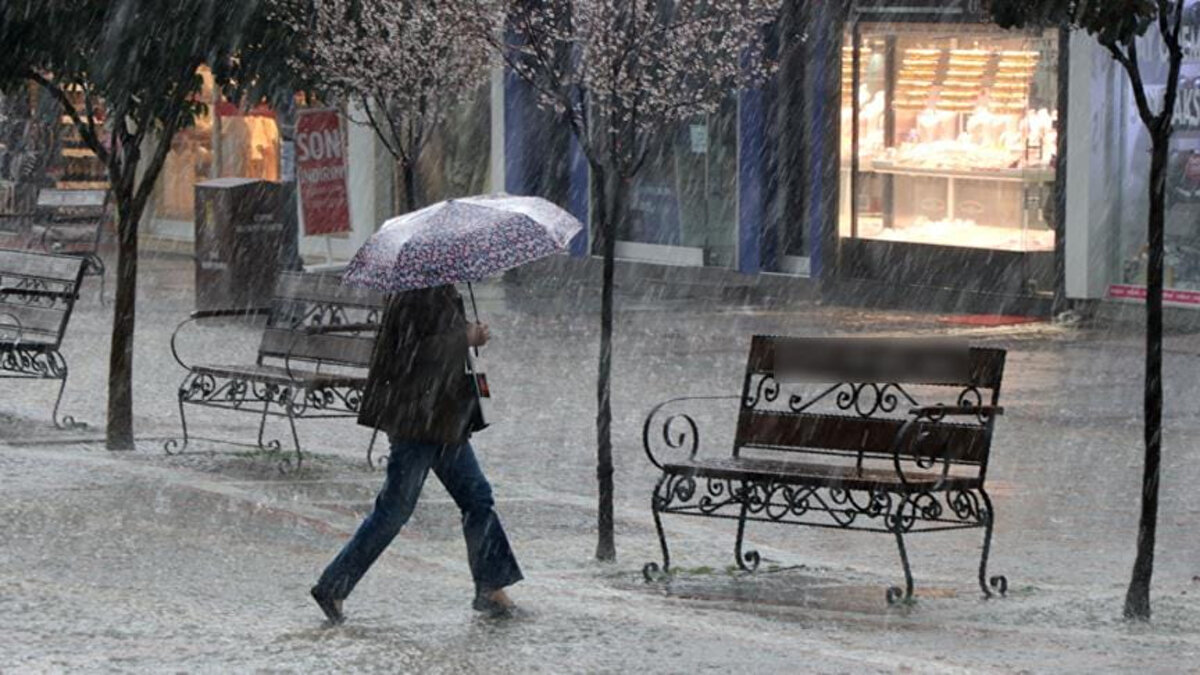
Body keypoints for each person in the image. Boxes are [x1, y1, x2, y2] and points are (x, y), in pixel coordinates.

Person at [310, 284, 522, 625]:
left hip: (442, 421)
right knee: (394, 511)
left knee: (477, 498)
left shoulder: (436, 288)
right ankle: (333, 585)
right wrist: (464, 337)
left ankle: (491, 588)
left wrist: (466, 336)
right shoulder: (415, 292)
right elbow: (413, 353)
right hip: (418, 422)